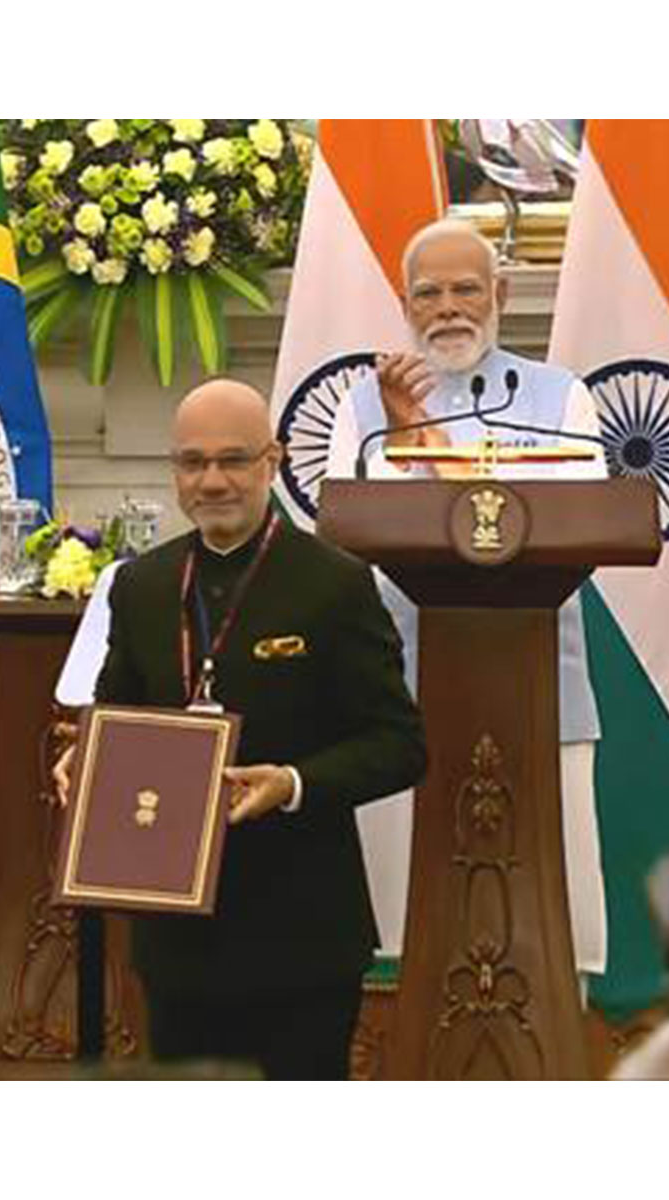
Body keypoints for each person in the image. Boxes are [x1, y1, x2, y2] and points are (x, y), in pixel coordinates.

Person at [57, 379, 427, 1079]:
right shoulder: (140, 586)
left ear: (273, 462)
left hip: (302, 930)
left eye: (233, 460)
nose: (213, 480)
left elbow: (400, 746)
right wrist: (84, 763)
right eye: (193, 463)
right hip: (177, 937)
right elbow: (112, 721)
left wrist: (290, 784)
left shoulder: (336, 583)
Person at [325, 217, 610, 975]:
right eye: (429, 293)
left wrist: (428, 445)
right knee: (402, 918)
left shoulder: (562, 397)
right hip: (397, 686)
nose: (447, 307)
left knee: (550, 915)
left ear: (501, 294)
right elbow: (357, 543)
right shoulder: (360, 409)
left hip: (537, 682)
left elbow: (557, 527)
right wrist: (400, 430)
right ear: (405, 303)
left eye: (465, 289)